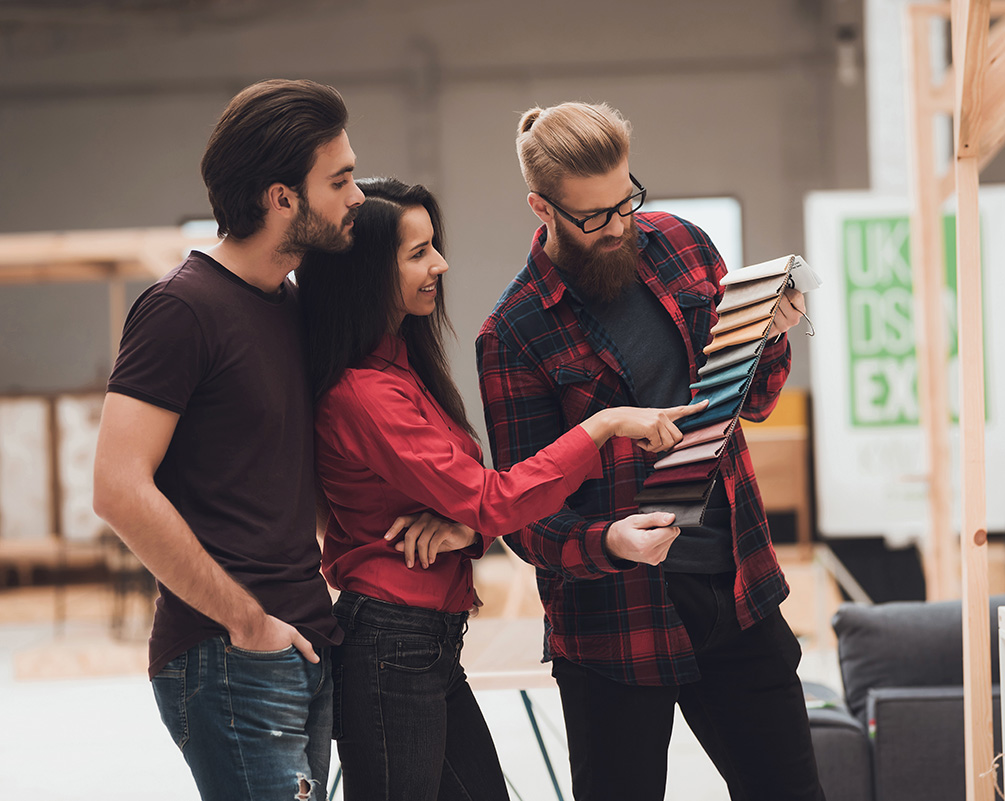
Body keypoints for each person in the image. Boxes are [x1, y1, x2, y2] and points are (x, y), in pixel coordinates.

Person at [295, 176, 704, 801]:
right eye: (417, 253)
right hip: (389, 641)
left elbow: (473, 497)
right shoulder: (363, 394)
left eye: (434, 245)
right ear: (365, 274)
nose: (441, 264)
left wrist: (470, 524)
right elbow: (490, 495)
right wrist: (603, 425)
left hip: (423, 640)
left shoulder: (399, 364)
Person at [476, 101, 826, 801]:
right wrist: (610, 540)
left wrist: (773, 334)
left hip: (737, 590)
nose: (619, 226)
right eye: (594, 216)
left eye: (626, 201)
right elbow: (523, 515)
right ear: (541, 208)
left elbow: (749, 402)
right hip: (613, 624)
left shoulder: (683, 247)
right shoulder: (514, 335)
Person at [92, 79, 364, 801]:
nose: (357, 196)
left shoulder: (292, 306)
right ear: (281, 198)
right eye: (339, 180)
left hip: (303, 637)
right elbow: (118, 487)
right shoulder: (181, 309)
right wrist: (246, 620)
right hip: (231, 652)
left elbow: (293, 480)